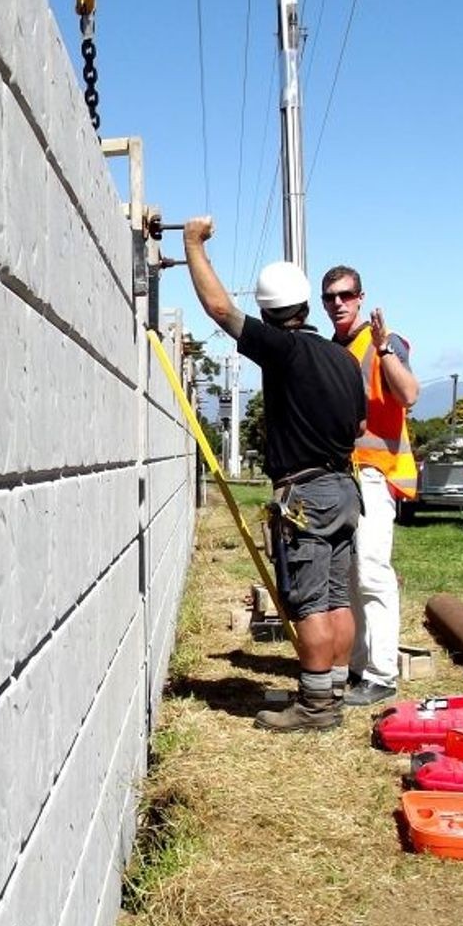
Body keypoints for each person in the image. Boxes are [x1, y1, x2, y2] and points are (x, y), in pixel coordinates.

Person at [182, 218, 367, 732]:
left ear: (267, 312)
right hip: (344, 490)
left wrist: (192, 244)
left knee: (308, 602)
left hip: (307, 494)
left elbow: (220, 309)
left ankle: (315, 707)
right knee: (337, 597)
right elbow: (359, 425)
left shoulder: (283, 350)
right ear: (307, 305)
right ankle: (331, 692)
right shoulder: (343, 359)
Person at [319, 264, 419, 707]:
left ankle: (382, 674)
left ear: (360, 298)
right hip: (344, 474)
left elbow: (409, 395)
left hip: (375, 474)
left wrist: (384, 350)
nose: (338, 303)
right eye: (330, 297)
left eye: (345, 295)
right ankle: (361, 667)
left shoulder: (386, 342)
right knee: (351, 574)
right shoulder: (332, 350)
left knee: (373, 572)